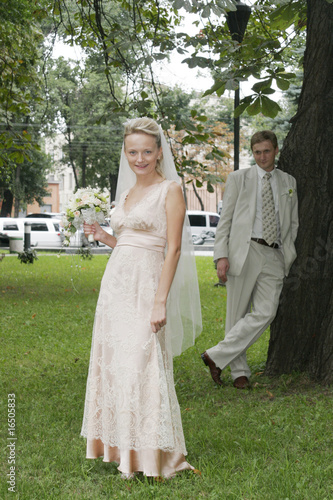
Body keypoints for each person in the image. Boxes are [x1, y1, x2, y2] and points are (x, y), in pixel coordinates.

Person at [80, 117, 202, 479]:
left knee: (142, 364)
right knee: (117, 364)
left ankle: (153, 457)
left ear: (159, 152)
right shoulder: (127, 194)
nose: (140, 158)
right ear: (126, 153)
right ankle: (122, 452)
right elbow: (129, 245)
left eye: (147, 151)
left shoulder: (171, 190)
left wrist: (160, 300)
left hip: (148, 287)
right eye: (132, 152)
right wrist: (103, 236)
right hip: (116, 286)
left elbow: (173, 249)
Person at [201, 130, 298, 389]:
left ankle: (215, 356)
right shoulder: (238, 178)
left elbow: (294, 222)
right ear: (252, 153)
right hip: (245, 251)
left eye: (266, 151)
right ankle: (239, 372)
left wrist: (287, 250)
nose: (262, 156)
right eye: (257, 152)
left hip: (275, 254)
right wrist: (221, 255)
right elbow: (226, 220)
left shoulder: (288, 181)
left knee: (267, 311)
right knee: (237, 314)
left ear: (276, 150)